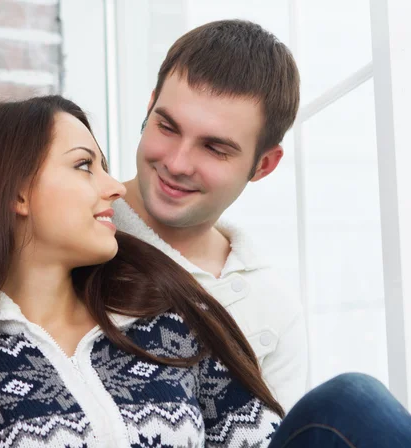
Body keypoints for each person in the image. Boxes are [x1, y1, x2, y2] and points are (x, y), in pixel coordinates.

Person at [0, 96, 411, 448]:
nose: (112, 185)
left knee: (353, 401)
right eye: (84, 166)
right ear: (16, 193)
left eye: (105, 164)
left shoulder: (171, 325)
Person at [114, 19, 307, 411]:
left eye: (215, 148)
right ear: (149, 107)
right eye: (167, 126)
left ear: (263, 165)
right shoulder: (71, 236)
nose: (177, 163)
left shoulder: (272, 306)